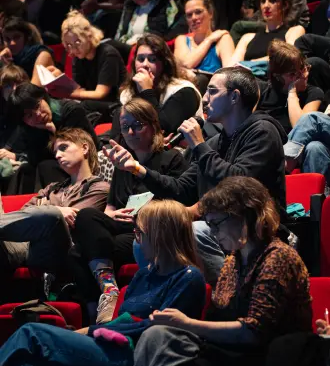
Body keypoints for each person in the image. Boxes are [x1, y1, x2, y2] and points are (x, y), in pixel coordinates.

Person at [0, 199, 206, 366]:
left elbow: (162, 329)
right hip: (111, 348)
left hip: (137, 359)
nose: (136, 240)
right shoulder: (144, 275)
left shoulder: (189, 278)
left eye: (140, 233)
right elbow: (128, 321)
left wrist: (91, 331)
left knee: (32, 332)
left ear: (161, 236)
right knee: (24, 363)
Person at [130, 176, 312, 366]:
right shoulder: (233, 261)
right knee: (156, 338)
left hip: (264, 362)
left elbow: (254, 332)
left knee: (160, 346)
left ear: (244, 216)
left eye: (217, 223)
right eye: (209, 224)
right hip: (229, 354)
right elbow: (218, 317)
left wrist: (186, 324)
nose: (213, 232)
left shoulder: (278, 257)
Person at [107, 67, 287, 286]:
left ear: (234, 97)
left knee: (196, 231)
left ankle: (231, 297)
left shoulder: (263, 132)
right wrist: (137, 168)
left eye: (212, 91)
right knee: (146, 237)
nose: (204, 98)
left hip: (253, 226)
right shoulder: (215, 143)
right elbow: (181, 188)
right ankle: (164, 305)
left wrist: (200, 145)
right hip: (218, 223)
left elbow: (240, 184)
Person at [71, 97, 189, 324]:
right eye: (126, 127)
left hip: (152, 231)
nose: (131, 132)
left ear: (153, 126)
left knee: (79, 252)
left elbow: (179, 196)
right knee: (86, 221)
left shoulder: (171, 158)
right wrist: (109, 214)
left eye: (138, 125)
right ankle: (100, 308)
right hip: (123, 226)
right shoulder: (123, 166)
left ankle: (99, 314)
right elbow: (112, 205)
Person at [0, 128, 109, 299]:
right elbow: (24, 215)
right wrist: (55, 209)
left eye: (63, 148)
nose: (57, 155)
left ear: (85, 148)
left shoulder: (99, 187)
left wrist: (52, 208)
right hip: (23, 246)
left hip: (59, 249)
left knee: (51, 216)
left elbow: (74, 218)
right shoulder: (52, 187)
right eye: (56, 151)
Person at [4, 83, 99, 193]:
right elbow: (34, 158)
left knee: (46, 166)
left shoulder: (72, 111)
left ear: (44, 98)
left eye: (37, 106)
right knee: (25, 170)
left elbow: (83, 149)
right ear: (24, 121)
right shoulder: (29, 128)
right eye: (30, 115)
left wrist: (54, 133)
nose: (38, 114)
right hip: (56, 168)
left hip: (84, 164)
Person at [108, 33, 203, 138]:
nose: (145, 64)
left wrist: (146, 91)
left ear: (165, 63)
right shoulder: (127, 93)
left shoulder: (184, 90)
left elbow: (162, 128)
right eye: (140, 59)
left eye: (152, 59)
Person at [48, 10, 127, 120]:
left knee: (83, 106)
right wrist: (59, 78)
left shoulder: (108, 54)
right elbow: (79, 89)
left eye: (77, 42)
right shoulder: (78, 57)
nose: (73, 49)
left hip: (115, 105)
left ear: (89, 36)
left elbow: (100, 94)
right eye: (69, 45)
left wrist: (67, 93)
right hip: (93, 103)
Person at [230, 0, 305, 65]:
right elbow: (232, 66)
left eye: (272, 0)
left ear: (285, 5)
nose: (266, 6)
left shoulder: (294, 31)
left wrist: (250, 63)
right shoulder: (247, 38)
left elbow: (287, 57)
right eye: (263, 1)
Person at [174, 0, 235, 94]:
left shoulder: (223, 39)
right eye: (189, 15)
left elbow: (230, 76)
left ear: (210, 13)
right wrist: (209, 40)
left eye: (198, 12)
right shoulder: (182, 40)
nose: (193, 18)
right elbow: (186, 63)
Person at [258, 39, 323, 134]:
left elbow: (301, 129)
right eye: (293, 74)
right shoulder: (263, 90)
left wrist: (292, 92)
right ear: (277, 76)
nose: (303, 75)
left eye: (303, 68)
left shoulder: (313, 93)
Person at [113, 0, 180, 62]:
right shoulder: (130, 6)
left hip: (150, 52)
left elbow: (174, 32)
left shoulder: (165, 2)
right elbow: (119, 34)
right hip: (127, 51)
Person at [0, 18, 54, 86]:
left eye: (17, 37)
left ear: (27, 38)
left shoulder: (42, 55)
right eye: (7, 39)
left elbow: (32, 92)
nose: (12, 43)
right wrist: (4, 65)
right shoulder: (5, 57)